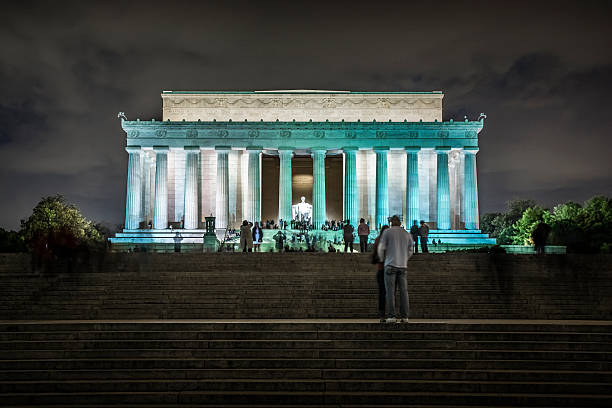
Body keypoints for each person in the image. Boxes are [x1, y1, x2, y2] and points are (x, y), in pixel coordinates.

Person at [377, 215, 414, 323]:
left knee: (390, 292)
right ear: (400, 222)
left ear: (391, 222)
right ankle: (405, 316)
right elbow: (411, 250)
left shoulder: (387, 232)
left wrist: (383, 259)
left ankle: (392, 316)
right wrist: (405, 258)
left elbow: (381, 248)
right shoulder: (406, 233)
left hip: (390, 265)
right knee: (404, 292)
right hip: (402, 266)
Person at [372, 225, 389, 322]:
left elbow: (375, 252)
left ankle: (382, 314)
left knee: (382, 292)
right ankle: (391, 313)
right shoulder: (389, 240)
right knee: (390, 292)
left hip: (381, 268)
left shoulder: (378, 239)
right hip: (389, 266)